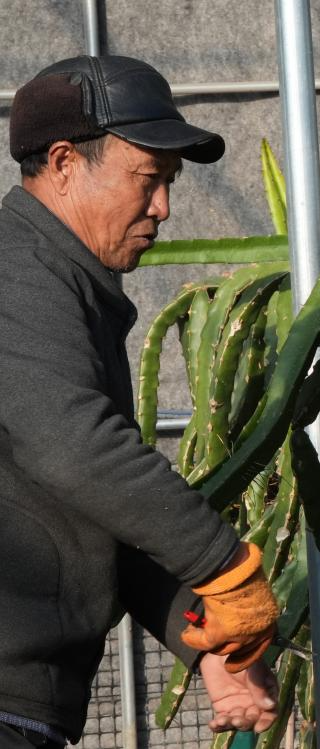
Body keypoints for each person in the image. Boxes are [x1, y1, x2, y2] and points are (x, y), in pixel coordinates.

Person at [0, 56, 282, 748]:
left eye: (170, 183)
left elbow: (98, 508)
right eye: (148, 178)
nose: (162, 207)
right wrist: (226, 564)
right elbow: (75, 445)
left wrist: (208, 644)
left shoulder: (66, 287)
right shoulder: (18, 275)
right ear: (64, 162)